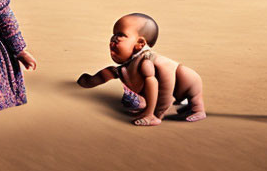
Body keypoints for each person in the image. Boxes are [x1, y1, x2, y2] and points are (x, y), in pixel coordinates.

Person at [77, 13, 206, 126]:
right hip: (167, 91)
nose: (114, 39)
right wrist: (89, 81)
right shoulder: (128, 65)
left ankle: (197, 108)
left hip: (182, 84)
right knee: (115, 71)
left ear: (140, 44)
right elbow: (110, 72)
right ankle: (177, 107)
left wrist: (155, 113)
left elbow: (165, 88)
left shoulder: (148, 62)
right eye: (114, 34)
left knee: (186, 75)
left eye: (120, 35)